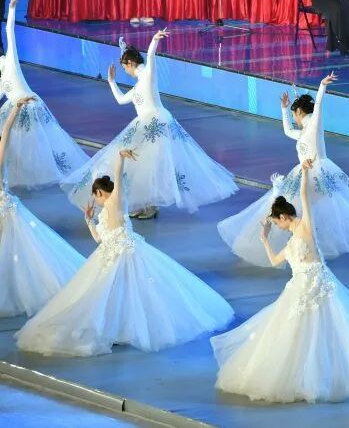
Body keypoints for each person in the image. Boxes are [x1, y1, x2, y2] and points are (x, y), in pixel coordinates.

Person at [214, 158, 349, 402]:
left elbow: (304, 197)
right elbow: (275, 261)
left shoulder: (305, 228)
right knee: (297, 332)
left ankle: (323, 376)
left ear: (284, 217)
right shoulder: (290, 241)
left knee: (329, 329)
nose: (277, 227)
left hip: (319, 285)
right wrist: (265, 240)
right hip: (299, 289)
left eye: (276, 223)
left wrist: (305, 174)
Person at [19, 149, 234, 356]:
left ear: (99, 192)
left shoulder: (116, 201)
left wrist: (119, 159)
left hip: (126, 254)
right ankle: (117, 328)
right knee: (112, 294)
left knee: (128, 292)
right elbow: (99, 239)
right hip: (108, 255)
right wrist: (89, 220)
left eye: (96, 197)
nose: (96, 202)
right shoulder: (104, 212)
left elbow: (118, 179)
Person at [219, 71, 349, 263]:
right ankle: (295, 241)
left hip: (318, 172)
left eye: (293, 114)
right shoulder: (302, 132)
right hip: (303, 172)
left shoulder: (313, 126)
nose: (294, 118)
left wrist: (322, 85)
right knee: (294, 205)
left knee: (318, 207)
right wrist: (284, 109)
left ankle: (304, 243)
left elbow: (318, 105)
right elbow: (287, 131)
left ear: (300, 112)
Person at [61, 30, 238, 219]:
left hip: (156, 123)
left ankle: (151, 206)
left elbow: (151, 56)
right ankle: (145, 204)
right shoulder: (137, 85)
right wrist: (111, 82)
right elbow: (121, 100)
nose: (125, 71)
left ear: (130, 63)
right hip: (146, 125)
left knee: (151, 164)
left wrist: (154, 40)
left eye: (125, 67)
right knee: (140, 163)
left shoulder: (147, 75)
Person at [0, 96, 84, 317]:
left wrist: (15, 110)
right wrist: (15, 109)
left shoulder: (1, 157)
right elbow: (5, 133)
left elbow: (6, 133)